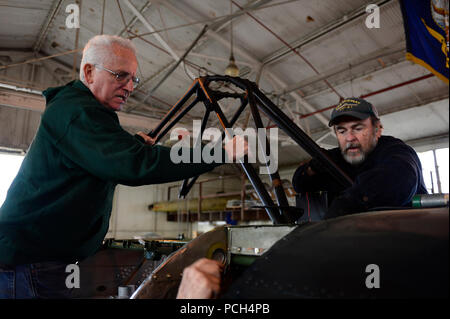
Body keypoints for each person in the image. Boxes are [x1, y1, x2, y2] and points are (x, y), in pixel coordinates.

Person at [0, 35, 246, 299]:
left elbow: (107, 155)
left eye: (133, 79)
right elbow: (134, 164)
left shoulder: (82, 112)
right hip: (30, 264)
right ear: (89, 71)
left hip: (39, 260)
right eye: (120, 76)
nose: (129, 87)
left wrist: (133, 144)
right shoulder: (76, 112)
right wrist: (219, 152)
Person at [292, 97, 427, 219]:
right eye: (342, 131)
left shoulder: (394, 150)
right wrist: (312, 168)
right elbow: (299, 184)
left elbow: (400, 176)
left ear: (377, 129)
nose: (350, 138)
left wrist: (349, 202)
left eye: (358, 128)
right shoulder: (335, 157)